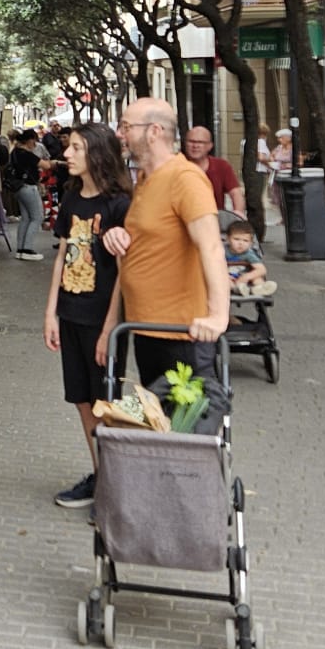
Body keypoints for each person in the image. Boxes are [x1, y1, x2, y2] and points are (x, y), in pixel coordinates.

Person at [100, 98, 231, 413]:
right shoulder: (145, 179)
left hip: (181, 334)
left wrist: (218, 314)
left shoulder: (184, 178)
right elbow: (149, 240)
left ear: (154, 131)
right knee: (159, 428)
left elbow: (211, 246)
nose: (120, 134)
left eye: (127, 127)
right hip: (145, 329)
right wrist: (119, 236)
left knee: (185, 431)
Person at [44, 122, 131, 509]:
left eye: (76, 147)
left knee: (106, 404)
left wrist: (110, 328)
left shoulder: (119, 204)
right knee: (82, 400)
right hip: (71, 312)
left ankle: (116, 490)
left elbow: (125, 273)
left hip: (103, 320)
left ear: (96, 152)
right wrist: (50, 313)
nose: (67, 154)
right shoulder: (72, 197)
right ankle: (101, 478)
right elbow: (62, 256)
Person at [182, 126, 245, 216]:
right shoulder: (176, 166)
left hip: (215, 221)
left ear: (210, 146)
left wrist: (238, 215)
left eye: (200, 142)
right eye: (191, 141)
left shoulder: (222, 166)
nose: (195, 146)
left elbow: (236, 193)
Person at [6, 130, 49, 260]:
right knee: (37, 217)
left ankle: (20, 249)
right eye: (34, 141)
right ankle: (27, 249)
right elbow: (46, 165)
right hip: (28, 187)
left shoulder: (15, 152)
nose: (35, 144)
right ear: (30, 140)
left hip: (18, 188)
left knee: (25, 218)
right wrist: (56, 163)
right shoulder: (27, 154)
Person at [222, 219, 276, 297]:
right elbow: (214, 267)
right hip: (228, 276)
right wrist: (224, 275)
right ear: (228, 239)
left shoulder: (249, 254)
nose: (241, 243)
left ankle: (259, 288)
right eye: (236, 239)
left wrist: (247, 277)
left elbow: (262, 269)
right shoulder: (222, 251)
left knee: (257, 278)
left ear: (251, 243)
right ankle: (236, 289)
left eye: (245, 241)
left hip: (245, 277)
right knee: (224, 280)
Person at [266, 127, 295, 211]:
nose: (279, 140)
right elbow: (271, 155)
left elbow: (298, 162)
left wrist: (286, 165)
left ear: (288, 138)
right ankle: (283, 217)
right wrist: (272, 160)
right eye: (279, 138)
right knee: (279, 198)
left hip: (287, 177)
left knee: (287, 198)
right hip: (277, 176)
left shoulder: (293, 149)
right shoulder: (279, 147)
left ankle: (289, 217)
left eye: (281, 138)